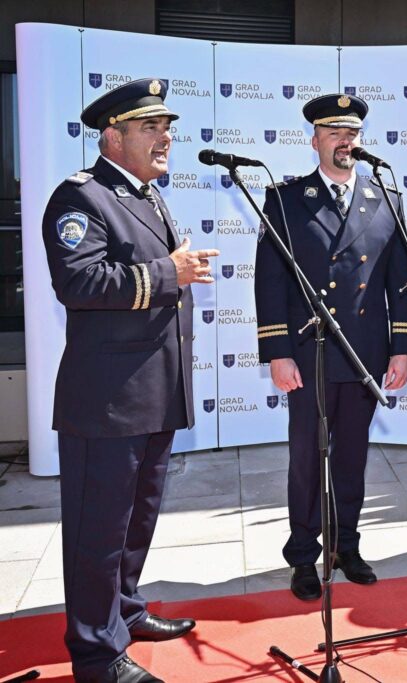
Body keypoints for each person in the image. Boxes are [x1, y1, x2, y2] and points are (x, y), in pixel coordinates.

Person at [42, 78, 217, 683]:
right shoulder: (81, 197)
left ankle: (124, 610)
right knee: (99, 530)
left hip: (154, 391)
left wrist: (170, 271)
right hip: (108, 401)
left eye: (166, 127)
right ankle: (96, 654)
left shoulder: (146, 195)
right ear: (112, 136)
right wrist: (169, 272)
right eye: (151, 127)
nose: (165, 137)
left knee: (136, 519)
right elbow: (79, 283)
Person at [254, 94, 407, 601]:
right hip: (309, 353)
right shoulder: (285, 199)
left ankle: (347, 545)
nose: (345, 141)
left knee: (352, 457)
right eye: (334, 132)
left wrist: (402, 347)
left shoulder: (386, 197)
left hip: (364, 351)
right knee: (307, 458)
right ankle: (304, 554)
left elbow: (400, 281)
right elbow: (269, 282)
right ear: (315, 140)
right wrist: (278, 352)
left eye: (352, 133)